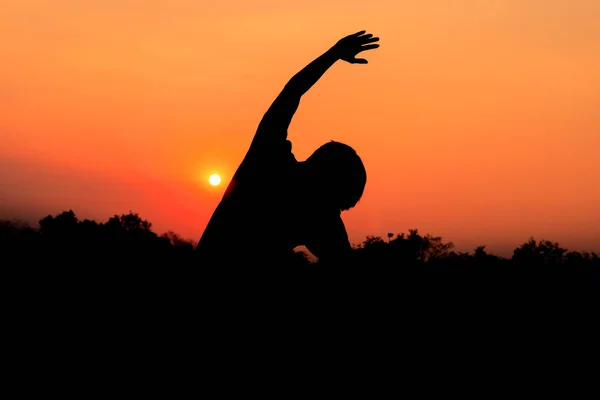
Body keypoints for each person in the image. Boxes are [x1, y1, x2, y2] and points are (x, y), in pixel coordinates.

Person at [196, 30, 380, 270]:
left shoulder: (269, 159)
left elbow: (291, 93)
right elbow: (290, 94)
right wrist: (333, 54)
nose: (335, 211)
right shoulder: (276, 169)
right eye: (336, 203)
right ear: (325, 181)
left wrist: (333, 55)